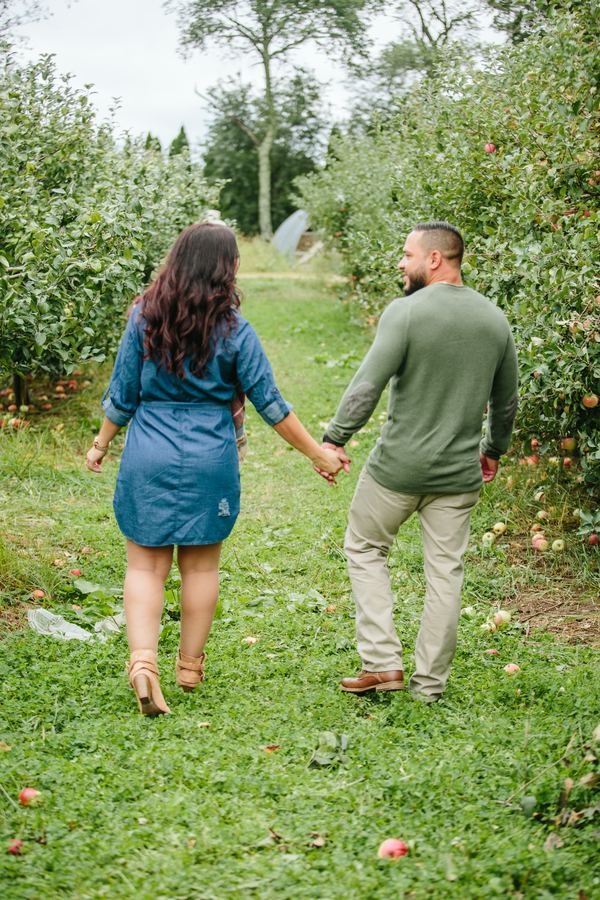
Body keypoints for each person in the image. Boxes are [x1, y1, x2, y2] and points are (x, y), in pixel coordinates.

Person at [85, 223, 345, 717]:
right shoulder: (235, 330)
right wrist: (317, 453)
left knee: (145, 565)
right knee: (200, 565)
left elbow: (122, 395)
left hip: (148, 450)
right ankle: (189, 667)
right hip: (211, 455)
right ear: (227, 269)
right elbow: (271, 403)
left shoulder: (143, 317)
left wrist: (100, 445)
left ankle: (143, 663)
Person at [319, 221, 518, 702]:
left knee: (366, 548)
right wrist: (492, 451)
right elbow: (507, 402)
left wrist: (335, 438)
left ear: (435, 259)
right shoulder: (495, 320)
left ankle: (382, 663)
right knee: (445, 574)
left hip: (397, 470)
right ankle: (429, 687)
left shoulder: (405, 313)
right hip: (458, 475)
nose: (401, 264)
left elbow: (369, 384)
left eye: (407, 255)